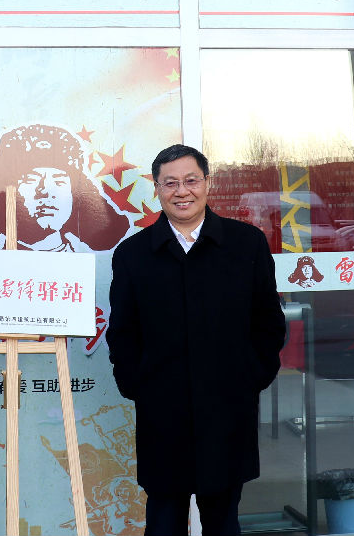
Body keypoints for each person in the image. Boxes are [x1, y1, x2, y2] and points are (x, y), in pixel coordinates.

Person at [106, 144, 285, 535]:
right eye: (170, 183)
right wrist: (138, 383)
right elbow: (123, 331)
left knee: (223, 519)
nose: (181, 191)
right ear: (157, 188)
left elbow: (268, 322)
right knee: (164, 519)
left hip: (227, 408)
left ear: (207, 183)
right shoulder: (134, 254)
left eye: (191, 180)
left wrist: (251, 376)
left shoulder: (246, 244)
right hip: (162, 411)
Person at [0, 124, 130, 252]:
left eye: (59, 181)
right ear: (8, 192)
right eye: (31, 180)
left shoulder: (82, 265)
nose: (46, 191)